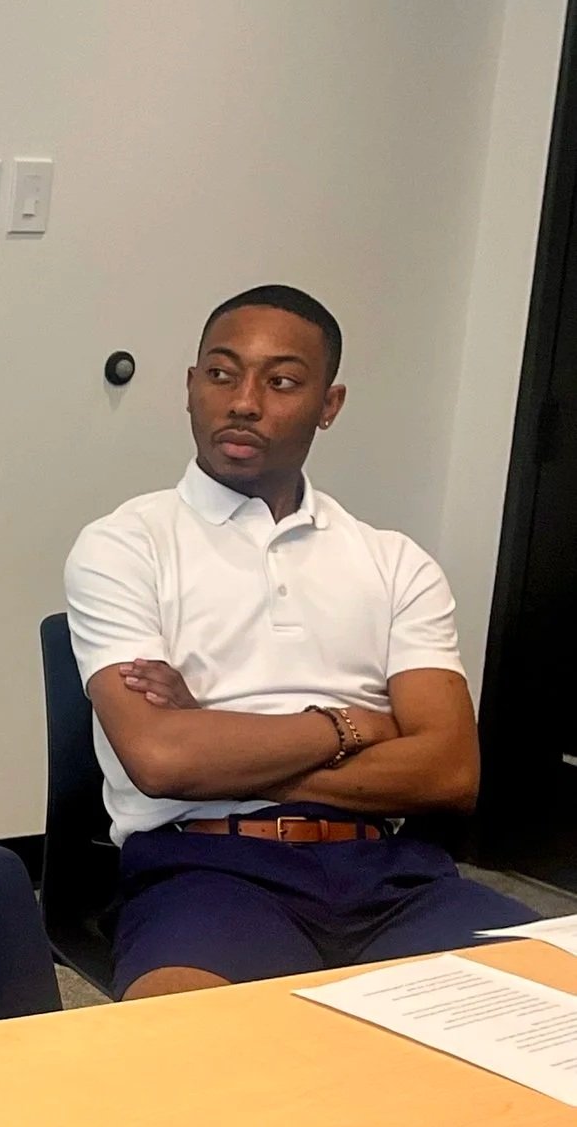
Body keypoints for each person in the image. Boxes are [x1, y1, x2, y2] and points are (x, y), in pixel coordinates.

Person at [65, 283, 536, 1001]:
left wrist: (216, 741)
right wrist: (354, 727)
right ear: (191, 388)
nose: (244, 401)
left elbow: (449, 772)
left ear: (329, 405)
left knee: (551, 1008)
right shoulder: (125, 545)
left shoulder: (394, 560)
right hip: (207, 867)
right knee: (178, 1062)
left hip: (392, 870)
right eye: (221, 374)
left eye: (281, 381)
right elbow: (160, 759)